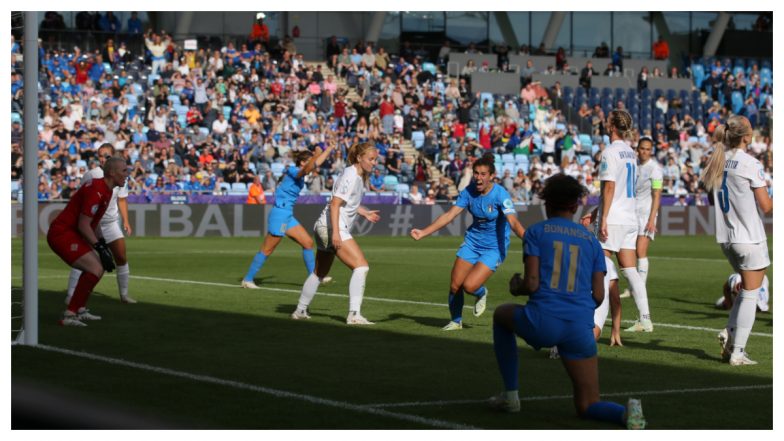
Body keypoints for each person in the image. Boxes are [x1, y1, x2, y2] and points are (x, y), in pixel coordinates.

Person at [490, 174, 646, 430]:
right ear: (575, 206)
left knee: (501, 316)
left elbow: (531, 283)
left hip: (543, 322)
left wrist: (516, 286)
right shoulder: (592, 242)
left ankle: (510, 395)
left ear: (546, 204)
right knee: (588, 405)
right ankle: (626, 413)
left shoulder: (536, 232)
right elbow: (598, 295)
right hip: (579, 329)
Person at [410, 153, 526, 331]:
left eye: (483, 174)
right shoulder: (468, 192)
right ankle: (456, 321)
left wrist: (529, 240)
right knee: (455, 285)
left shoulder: (500, 194)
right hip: (472, 242)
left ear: (491, 176)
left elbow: (514, 223)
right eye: (476, 173)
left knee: (470, 286)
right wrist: (423, 232)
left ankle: (482, 292)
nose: (478, 178)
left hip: (494, 247)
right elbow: (450, 215)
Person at [699, 115, 772, 366]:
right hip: (749, 238)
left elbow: (710, 198)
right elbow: (767, 207)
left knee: (747, 291)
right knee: (752, 293)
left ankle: (730, 333)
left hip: (726, 238)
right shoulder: (750, 163)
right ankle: (737, 352)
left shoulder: (717, 160)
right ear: (746, 137)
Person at [582, 110, 652, 347]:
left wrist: (602, 219)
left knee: (601, 272)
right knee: (628, 269)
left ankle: (594, 328)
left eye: (607, 119)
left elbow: (610, 188)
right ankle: (644, 317)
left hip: (614, 218)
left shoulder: (610, 152)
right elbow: (619, 189)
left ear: (611, 126)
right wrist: (594, 212)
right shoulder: (631, 153)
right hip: (630, 218)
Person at [291, 142, 381, 324]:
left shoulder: (356, 175)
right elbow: (334, 204)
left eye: (375, 159)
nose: (374, 163)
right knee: (361, 266)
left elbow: (346, 203)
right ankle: (354, 315)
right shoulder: (351, 175)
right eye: (371, 159)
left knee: (319, 273)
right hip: (332, 227)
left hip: (326, 226)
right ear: (359, 158)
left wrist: (363, 212)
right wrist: (336, 234)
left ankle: (300, 310)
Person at [241, 142, 336, 289]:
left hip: (287, 215)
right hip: (280, 214)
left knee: (308, 243)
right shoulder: (293, 170)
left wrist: (328, 149)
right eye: (309, 160)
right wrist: (317, 154)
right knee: (267, 249)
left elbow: (313, 165)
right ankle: (247, 280)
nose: (312, 164)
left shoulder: (301, 171)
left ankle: (315, 278)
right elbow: (311, 166)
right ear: (303, 162)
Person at [48, 157, 129, 326]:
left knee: (98, 267)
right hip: (62, 234)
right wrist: (99, 246)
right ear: (112, 173)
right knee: (95, 267)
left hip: (71, 233)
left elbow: (94, 222)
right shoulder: (97, 189)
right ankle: (69, 315)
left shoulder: (106, 190)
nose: (127, 175)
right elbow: (83, 224)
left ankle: (78, 309)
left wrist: (102, 245)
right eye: (124, 171)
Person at [66, 144, 136, 305]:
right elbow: (81, 197)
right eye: (100, 155)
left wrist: (126, 221)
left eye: (106, 156)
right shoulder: (91, 175)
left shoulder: (120, 175)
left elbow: (122, 199)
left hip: (110, 223)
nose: (102, 158)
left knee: (121, 257)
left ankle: (124, 295)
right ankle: (70, 294)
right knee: (83, 258)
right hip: (91, 224)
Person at [619, 137, 662, 302]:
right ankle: (632, 288)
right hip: (631, 213)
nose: (644, 152)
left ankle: (639, 288)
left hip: (646, 215)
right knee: (627, 251)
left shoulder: (655, 169)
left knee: (640, 252)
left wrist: (652, 219)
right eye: (642, 148)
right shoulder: (634, 166)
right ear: (637, 149)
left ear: (651, 151)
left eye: (648, 149)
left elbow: (656, 195)